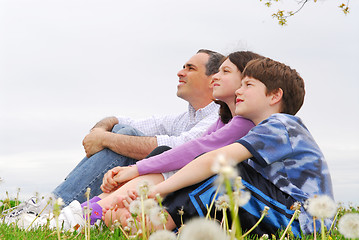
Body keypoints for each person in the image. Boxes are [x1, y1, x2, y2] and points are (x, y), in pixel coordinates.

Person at [3, 49, 224, 224]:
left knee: (125, 137)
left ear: (212, 79)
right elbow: (120, 120)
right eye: (182, 66)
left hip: (180, 193)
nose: (180, 72)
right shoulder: (183, 118)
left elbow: (181, 148)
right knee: (121, 131)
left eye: (190, 68)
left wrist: (105, 140)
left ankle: (52, 207)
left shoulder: (220, 117)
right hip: (158, 185)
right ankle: (53, 205)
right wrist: (100, 131)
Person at [123, 57, 334, 236]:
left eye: (248, 85)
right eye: (240, 84)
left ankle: (155, 225)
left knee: (225, 170)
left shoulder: (282, 124)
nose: (238, 91)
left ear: (274, 95)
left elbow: (214, 160)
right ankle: (169, 225)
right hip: (279, 212)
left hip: (302, 223)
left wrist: (157, 190)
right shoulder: (261, 132)